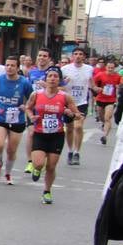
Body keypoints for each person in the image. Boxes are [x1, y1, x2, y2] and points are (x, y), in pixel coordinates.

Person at [26, 66, 81, 205]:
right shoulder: (36, 94)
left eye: (55, 76)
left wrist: (71, 114)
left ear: (60, 80)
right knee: (38, 163)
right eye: (50, 76)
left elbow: (78, 114)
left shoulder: (65, 97)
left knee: (51, 166)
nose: (52, 79)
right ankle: (37, 170)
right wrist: (31, 116)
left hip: (56, 135)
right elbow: (28, 107)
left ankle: (47, 191)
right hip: (40, 134)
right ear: (45, 79)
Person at [0, 55, 34, 185]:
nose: (9, 68)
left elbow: (31, 99)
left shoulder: (24, 82)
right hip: (0, 116)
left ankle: (8, 173)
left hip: (17, 119)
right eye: (7, 65)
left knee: (11, 150)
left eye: (12, 65)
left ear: (17, 67)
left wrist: (25, 107)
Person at [22, 48, 53, 173]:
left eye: (45, 56)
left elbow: (62, 89)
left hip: (48, 110)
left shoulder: (53, 73)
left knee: (45, 135)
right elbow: (27, 90)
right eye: (40, 55)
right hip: (33, 108)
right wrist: (24, 104)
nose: (42, 58)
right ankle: (30, 162)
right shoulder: (31, 72)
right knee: (31, 133)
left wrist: (48, 86)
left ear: (49, 58)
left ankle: (40, 161)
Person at [61, 49, 94, 164]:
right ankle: (70, 151)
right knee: (69, 128)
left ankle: (77, 153)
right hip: (68, 102)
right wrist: (64, 83)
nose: (78, 56)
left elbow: (92, 84)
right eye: (75, 54)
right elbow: (59, 86)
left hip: (82, 102)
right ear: (72, 56)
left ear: (84, 57)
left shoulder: (89, 69)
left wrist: (96, 89)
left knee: (78, 126)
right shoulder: (64, 69)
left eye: (80, 54)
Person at [95, 59, 122, 145]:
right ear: (106, 67)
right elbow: (94, 85)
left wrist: (118, 90)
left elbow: (119, 86)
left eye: (112, 68)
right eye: (109, 67)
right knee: (102, 117)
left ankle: (104, 136)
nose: (110, 69)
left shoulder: (117, 76)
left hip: (111, 100)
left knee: (107, 118)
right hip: (100, 99)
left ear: (115, 68)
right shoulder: (100, 75)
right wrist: (97, 89)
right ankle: (104, 124)